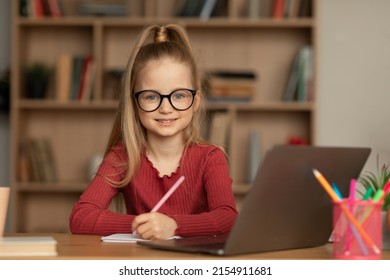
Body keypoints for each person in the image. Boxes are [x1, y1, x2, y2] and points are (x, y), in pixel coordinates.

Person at [69, 24, 238, 240]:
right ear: (134, 102)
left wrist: (174, 226)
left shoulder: (210, 158)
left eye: (178, 96)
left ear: (195, 101)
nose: (165, 108)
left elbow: (228, 218)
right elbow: (80, 218)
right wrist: (144, 225)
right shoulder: (123, 156)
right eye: (151, 96)